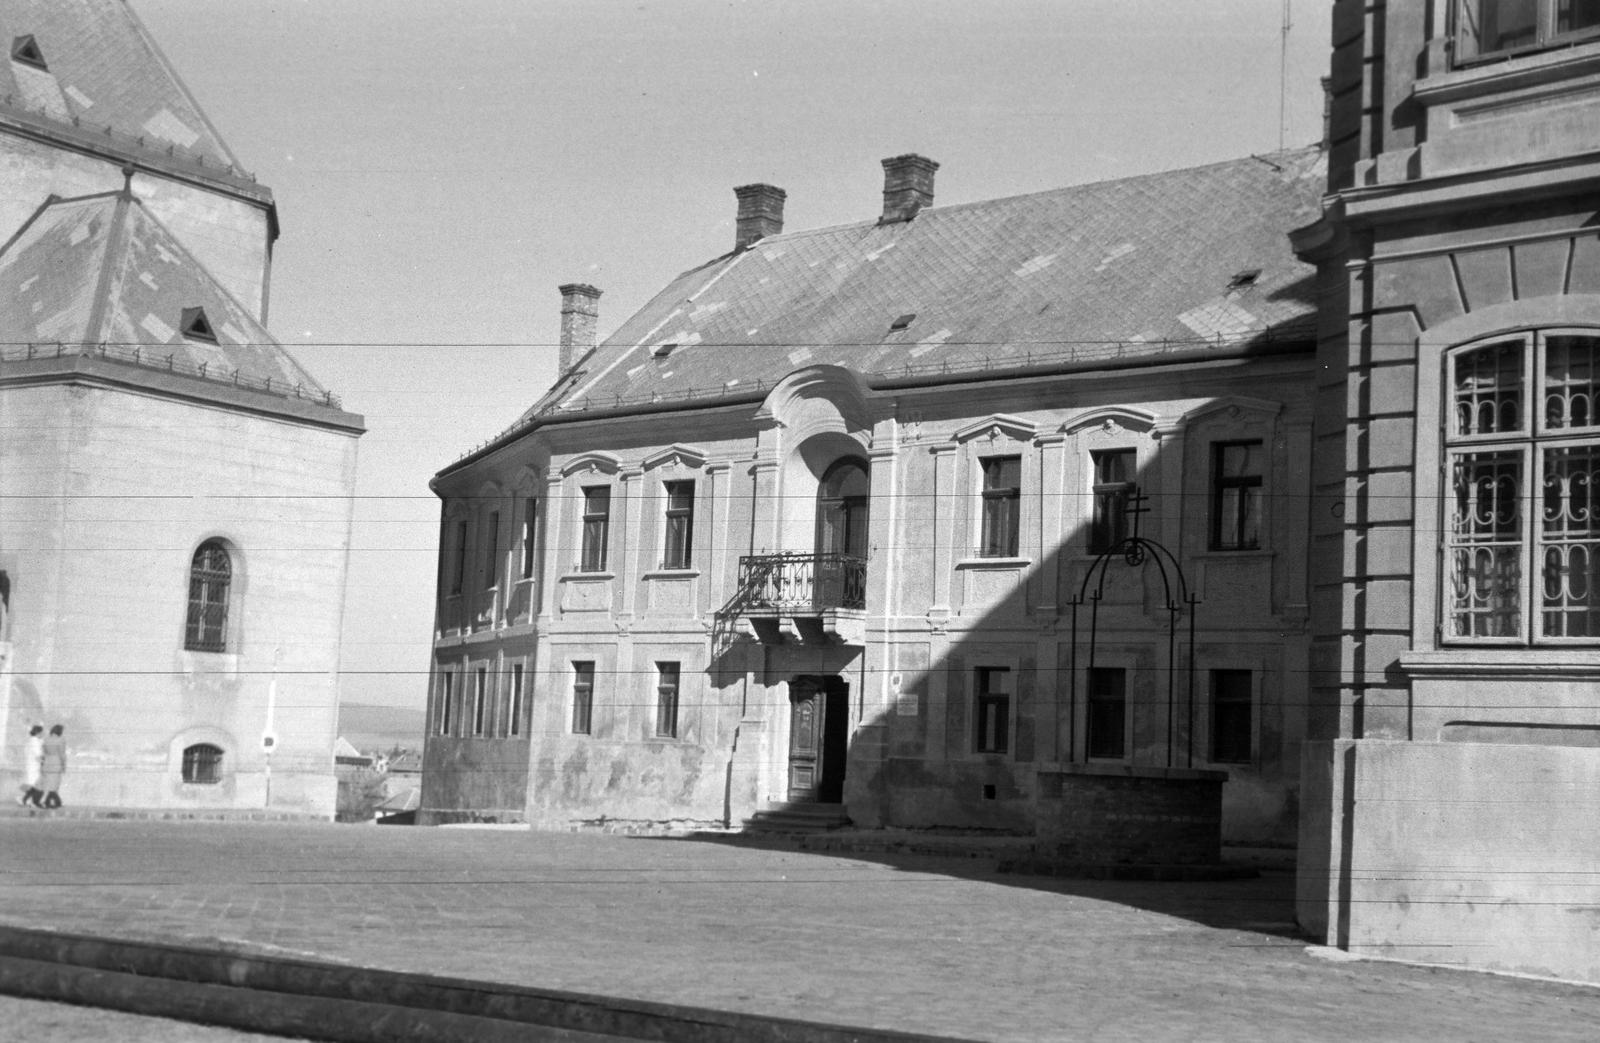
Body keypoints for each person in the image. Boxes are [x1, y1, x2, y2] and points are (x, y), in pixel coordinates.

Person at [40, 725, 66, 809]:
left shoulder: (46, 739)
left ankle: (48, 801)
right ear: (60, 731)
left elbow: (43, 753)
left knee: (47, 784)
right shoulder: (60, 740)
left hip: (47, 762)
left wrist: (42, 765)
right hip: (56, 762)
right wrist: (64, 765)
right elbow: (62, 754)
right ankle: (50, 801)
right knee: (55, 784)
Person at [18, 724, 44, 808]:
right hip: (34, 767)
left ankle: (25, 799)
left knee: (32, 784)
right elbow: (38, 755)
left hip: (30, 765)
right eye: (41, 733)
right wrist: (44, 762)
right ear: (37, 733)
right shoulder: (35, 742)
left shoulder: (30, 741)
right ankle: (25, 800)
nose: (42, 734)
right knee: (34, 784)